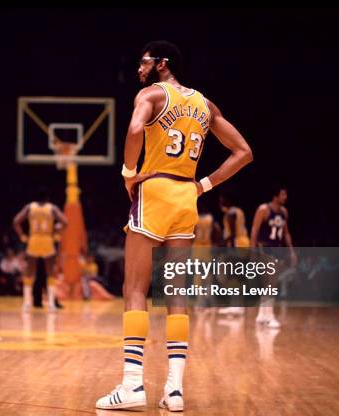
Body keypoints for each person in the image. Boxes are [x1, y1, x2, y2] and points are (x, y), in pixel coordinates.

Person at [95, 40, 253, 411]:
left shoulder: (151, 94)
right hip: (187, 198)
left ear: (162, 64)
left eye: (143, 61)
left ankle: (133, 385)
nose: (139, 68)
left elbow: (135, 130)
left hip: (156, 190)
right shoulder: (204, 104)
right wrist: (204, 185)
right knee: (176, 294)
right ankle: (175, 390)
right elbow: (244, 152)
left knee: (135, 288)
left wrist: (128, 174)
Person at [13, 187, 67, 312]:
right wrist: (58, 234)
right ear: (47, 198)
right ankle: (52, 304)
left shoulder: (30, 207)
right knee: (50, 273)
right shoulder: (52, 208)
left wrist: (22, 236)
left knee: (29, 272)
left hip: (34, 239)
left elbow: (16, 221)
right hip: (47, 240)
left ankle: (26, 304)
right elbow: (65, 221)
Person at [250, 184, 297, 328]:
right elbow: (254, 230)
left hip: (277, 249)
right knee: (270, 282)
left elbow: (286, 233)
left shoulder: (284, 212)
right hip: (264, 248)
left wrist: (291, 251)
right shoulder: (263, 209)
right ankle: (269, 316)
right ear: (276, 196)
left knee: (270, 282)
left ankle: (261, 315)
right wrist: (252, 251)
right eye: (283, 194)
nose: (285, 197)